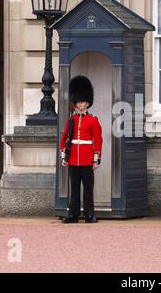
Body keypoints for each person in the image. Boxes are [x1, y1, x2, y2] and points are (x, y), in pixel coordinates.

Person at [60, 75, 103, 224]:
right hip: (73, 159)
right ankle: (73, 214)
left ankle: (89, 215)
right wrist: (64, 157)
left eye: (83, 101)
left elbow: (98, 140)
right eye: (78, 102)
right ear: (75, 102)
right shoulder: (71, 119)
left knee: (88, 190)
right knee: (74, 189)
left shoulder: (93, 120)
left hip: (86, 158)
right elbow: (65, 139)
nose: (81, 104)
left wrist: (96, 159)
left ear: (88, 103)